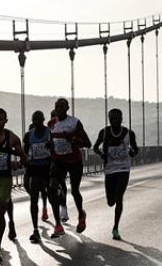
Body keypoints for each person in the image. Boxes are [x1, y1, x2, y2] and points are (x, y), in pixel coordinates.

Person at [0, 108, 26, 260]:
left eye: (0, 119)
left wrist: (18, 163)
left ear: (5, 120)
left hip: (4, 179)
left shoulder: (11, 137)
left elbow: (23, 156)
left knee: (0, 211)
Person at [92, 108, 140, 240]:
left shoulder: (129, 133)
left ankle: (115, 228)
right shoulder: (104, 132)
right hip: (110, 169)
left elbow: (136, 149)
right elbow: (95, 147)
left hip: (124, 169)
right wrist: (101, 154)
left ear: (121, 118)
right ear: (109, 119)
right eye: (112, 118)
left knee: (119, 198)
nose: (115, 120)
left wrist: (133, 153)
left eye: (117, 117)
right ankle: (114, 219)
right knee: (110, 202)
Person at [49, 97, 91, 234]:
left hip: (74, 161)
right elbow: (50, 141)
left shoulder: (75, 122)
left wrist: (72, 139)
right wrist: (49, 145)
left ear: (67, 108)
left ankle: (81, 213)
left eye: (62, 107)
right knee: (52, 188)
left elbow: (87, 143)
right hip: (58, 161)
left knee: (74, 191)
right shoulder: (51, 123)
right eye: (57, 107)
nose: (59, 109)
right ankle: (57, 223)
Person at [22, 110, 55, 243]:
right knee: (33, 198)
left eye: (39, 120)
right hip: (34, 169)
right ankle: (35, 230)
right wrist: (24, 160)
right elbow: (24, 152)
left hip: (48, 168)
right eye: (34, 120)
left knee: (52, 195)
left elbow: (55, 148)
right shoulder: (28, 135)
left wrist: (51, 148)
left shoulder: (49, 133)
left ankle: (57, 223)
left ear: (43, 120)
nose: (36, 122)